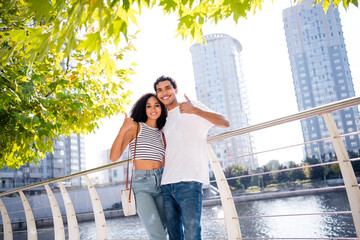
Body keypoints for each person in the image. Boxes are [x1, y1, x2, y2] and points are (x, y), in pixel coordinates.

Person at [154, 75, 230, 240]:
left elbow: (225, 122)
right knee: (174, 236)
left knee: (192, 233)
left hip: (189, 182)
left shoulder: (192, 106)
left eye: (167, 88)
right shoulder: (162, 119)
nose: (164, 93)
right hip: (166, 184)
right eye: (159, 90)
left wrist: (195, 110)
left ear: (176, 90)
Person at [110, 93, 167, 240]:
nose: (153, 109)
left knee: (162, 230)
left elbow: (165, 161)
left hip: (163, 183)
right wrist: (122, 129)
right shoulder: (135, 127)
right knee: (158, 235)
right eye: (148, 106)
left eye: (156, 105)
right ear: (144, 108)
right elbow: (113, 157)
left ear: (162, 108)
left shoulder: (162, 133)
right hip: (142, 185)